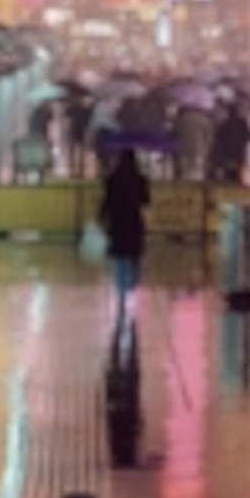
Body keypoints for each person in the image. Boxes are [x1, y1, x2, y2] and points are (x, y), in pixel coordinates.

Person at [99, 144, 150, 347]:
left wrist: (101, 219)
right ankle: (132, 285)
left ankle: (121, 294)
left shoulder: (112, 179)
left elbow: (106, 203)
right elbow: (146, 201)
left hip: (117, 224)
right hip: (134, 223)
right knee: (134, 256)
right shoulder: (140, 180)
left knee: (119, 259)